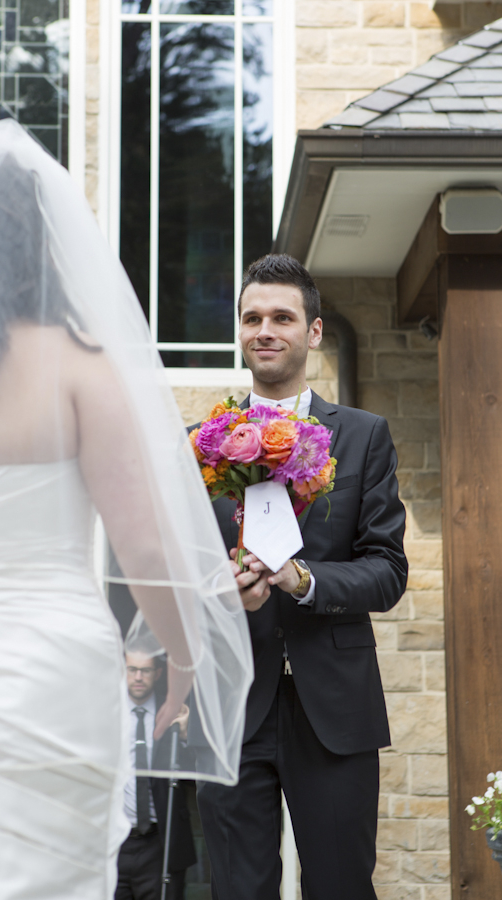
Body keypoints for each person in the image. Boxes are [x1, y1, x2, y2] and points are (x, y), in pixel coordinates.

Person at [0, 120, 253, 899]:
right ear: (39, 235)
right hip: (41, 678)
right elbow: (150, 552)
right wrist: (186, 660)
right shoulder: (78, 364)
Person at [194, 254, 408, 900]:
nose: (265, 329)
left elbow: (387, 571)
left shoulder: (365, 437)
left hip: (334, 709)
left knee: (342, 887)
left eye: (282, 317)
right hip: (234, 705)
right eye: (252, 317)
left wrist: (301, 579)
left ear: (313, 332)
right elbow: (174, 575)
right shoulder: (200, 442)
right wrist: (218, 590)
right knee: (237, 889)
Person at [116, 649, 196, 900]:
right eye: (132, 670)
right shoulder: (109, 713)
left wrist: (185, 736)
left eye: (145, 670)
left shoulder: (174, 712)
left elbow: (196, 772)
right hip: (115, 841)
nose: (138, 677)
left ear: (157, 673)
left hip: (160, 842)